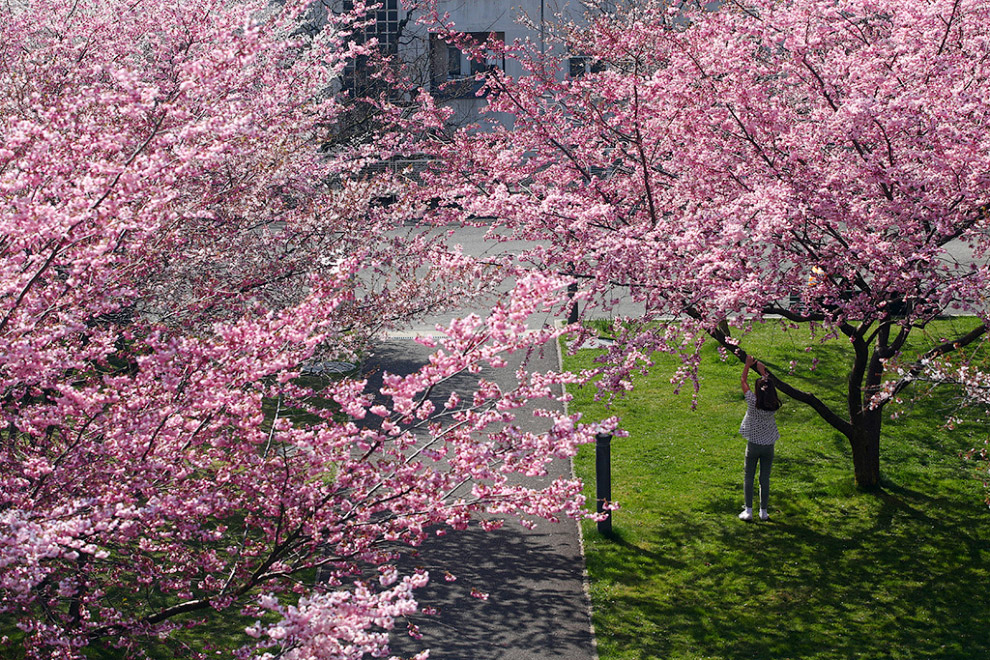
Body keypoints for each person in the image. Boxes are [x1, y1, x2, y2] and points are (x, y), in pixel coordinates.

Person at [738, 355, 781, 521]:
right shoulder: (774, 404)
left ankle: (748, 510)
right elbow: (768, 388)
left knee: (749, 476)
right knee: (765, 478)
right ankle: (763, 511)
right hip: (769, 445)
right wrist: (765, 374)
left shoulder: (752, 401)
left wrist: (748, 365)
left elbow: (743, 381)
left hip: (754, 444)